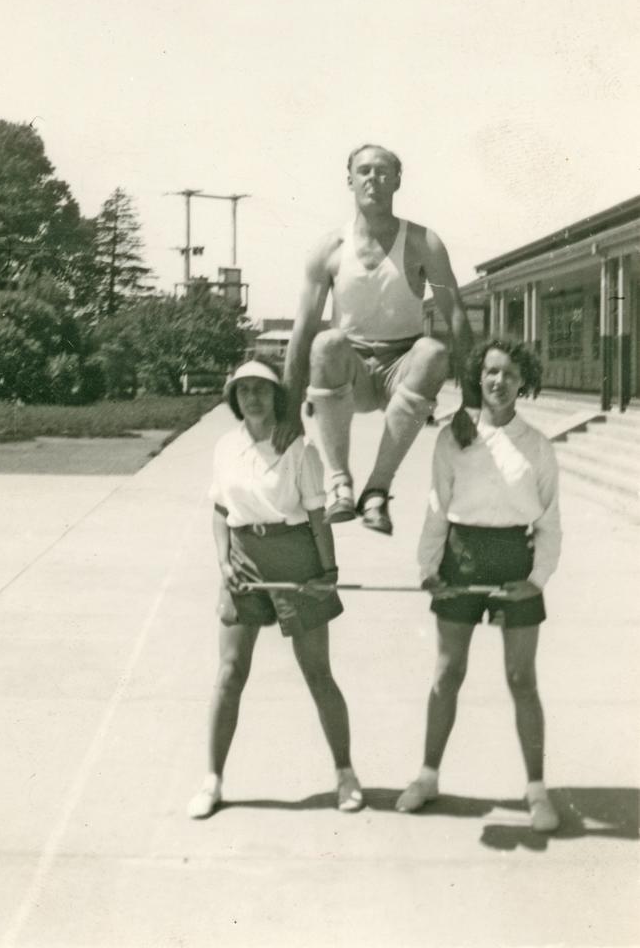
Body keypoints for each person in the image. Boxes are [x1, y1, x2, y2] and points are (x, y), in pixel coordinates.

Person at [396, 338, 562, 832]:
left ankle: (536, 790)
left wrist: (536, 580)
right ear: (478, 378)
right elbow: (435, 505)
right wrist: (428, 568)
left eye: (510, 374)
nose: (499, 382)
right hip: (462, 557)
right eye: (491, 372)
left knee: (521, 680)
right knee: (448, 674)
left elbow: (549, 521)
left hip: (515, 559)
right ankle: (427, 777)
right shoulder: (454, 437)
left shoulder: (538, 445)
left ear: (523, 381)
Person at [187, 357, 363, 819]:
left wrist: (328, 572)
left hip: (295, 557)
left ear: (275, 397)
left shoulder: (299, 449)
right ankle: (213, 780)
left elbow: (319, 517)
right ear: (234, 398)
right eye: (243, 390)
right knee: (229, 673)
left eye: (261, 389)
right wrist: (222, 561)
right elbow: (221, 511)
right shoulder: (225, 447)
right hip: (243, 561)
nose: (252, 397)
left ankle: (345, 773)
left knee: (317, 673)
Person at [275, 143, 476, 536]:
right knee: (326, 342)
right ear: (349, 180)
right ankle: (340, 483)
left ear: (398, 181)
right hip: (350, 374)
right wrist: (289, 409)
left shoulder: (422, 243)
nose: (373, 179)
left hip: (401, 370)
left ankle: (377, 490)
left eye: (383, 172)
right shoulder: (329, 249)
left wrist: (472, 402)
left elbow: (455, 315)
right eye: (364, 171)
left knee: (433, 351)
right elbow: (302, 331)